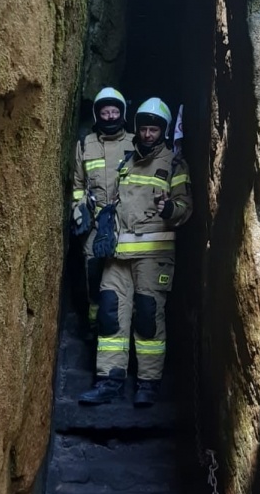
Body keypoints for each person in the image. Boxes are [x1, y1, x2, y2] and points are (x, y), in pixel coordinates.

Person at [79, 97, 192, 407]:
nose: (147, 134)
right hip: (118, 254)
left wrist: (170, 207)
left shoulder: (173, 163)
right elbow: (115, 202)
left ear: (163, 131)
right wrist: (103, 224)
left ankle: (147, 383)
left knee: (147, 317)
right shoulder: (126, 163)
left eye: (154, 129)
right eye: (143, 128)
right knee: (109, 313)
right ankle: (108, 381)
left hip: (153, 256)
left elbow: (185, 208)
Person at [71, 87, 134, 327]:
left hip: (125, 224)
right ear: (98, 115)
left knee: (122, 274)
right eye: (105, 112)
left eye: (114, 111)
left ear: (122, 113)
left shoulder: (133, 142)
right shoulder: (86, 144)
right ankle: (93, 323)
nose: (110, 116)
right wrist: (79, 208)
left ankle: (122, 324)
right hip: (96, 223)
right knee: (93, 270)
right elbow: (78, 184)